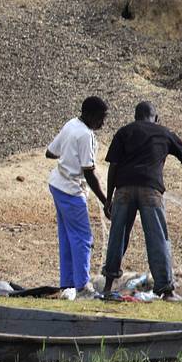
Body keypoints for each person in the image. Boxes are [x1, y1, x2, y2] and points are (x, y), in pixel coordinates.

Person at [101, 101, 182, 301]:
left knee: (117, 236)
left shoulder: (124, 132)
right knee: (157, 238)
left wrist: (108, 198)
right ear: (156, 118)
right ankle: (166, 290)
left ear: (135, 117)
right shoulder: (164, 133)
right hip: (150, 189)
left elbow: (113, 166)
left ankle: (107, 286)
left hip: (123, 189)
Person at [46, 96, 110, 299]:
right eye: (101, 117)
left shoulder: (71, 124)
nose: (103, 122)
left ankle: (67, 285)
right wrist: (105, 200)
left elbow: (50, 152)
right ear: (90, 115)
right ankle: (82, 287)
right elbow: (89, 172)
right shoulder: (85, 135)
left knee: (67, 236)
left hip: (57, 184)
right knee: (82, 238)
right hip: (71, 190)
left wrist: (68, 154)